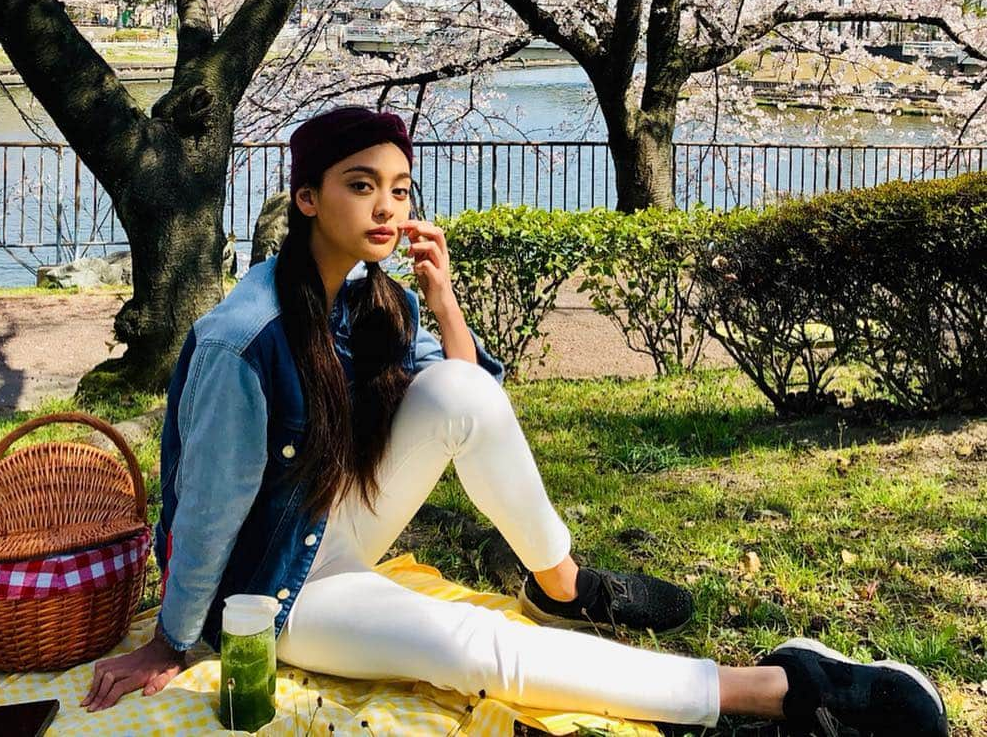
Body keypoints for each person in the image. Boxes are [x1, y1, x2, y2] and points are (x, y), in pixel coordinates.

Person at [83, 106, 948, 735]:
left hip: (332, 524)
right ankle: (779, 691)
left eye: (398, 189)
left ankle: (562, 582)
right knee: (471, 649)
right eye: (361, 187)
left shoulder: (373, 297)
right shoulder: (244, 339)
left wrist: (443, 296)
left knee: (463, 394)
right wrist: (172, 636)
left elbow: (469, 398)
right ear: (306, 199)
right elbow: (205, 502)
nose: (386, 208)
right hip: (264, 586)